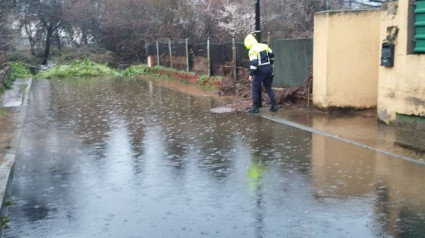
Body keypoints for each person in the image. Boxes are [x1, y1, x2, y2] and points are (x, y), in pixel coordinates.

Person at [244, 33, 278, 113]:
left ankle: (255, 108)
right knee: (268, 87)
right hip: (268, 68)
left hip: (260, 70)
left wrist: (251, 74)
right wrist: (271, 63)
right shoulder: (264, 46)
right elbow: (272, 55)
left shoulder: (252, 50)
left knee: (255, 88)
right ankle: (274, 105)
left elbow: (254, 63)